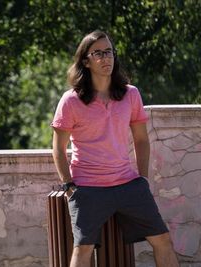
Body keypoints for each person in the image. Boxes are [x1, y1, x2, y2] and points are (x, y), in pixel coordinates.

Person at [50, 30, 179, 267]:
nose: (106, 58)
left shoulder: (131, 94)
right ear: (86, 61)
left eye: (108, 51)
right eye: (98, 53)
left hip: (128, 184)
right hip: (88, 188)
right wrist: (69, 187)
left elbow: (141, 140)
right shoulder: (71, 100)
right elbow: (58, 148)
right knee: (83, 249)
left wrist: (142, 179)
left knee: (163, 240)